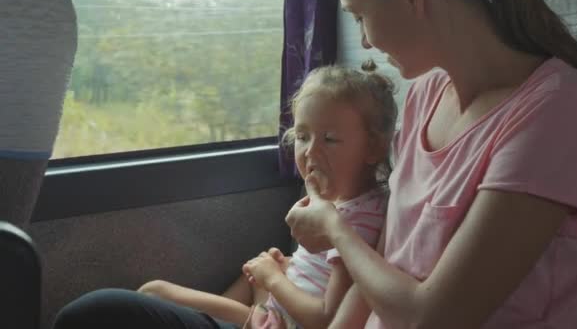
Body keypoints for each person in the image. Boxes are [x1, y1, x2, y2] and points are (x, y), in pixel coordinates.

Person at [285, 0, 577, 328]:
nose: (364, 41)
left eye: (360, 17)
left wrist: (335, 229)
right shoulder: (424, 95)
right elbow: (383, 261)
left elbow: (431, 319)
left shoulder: (560, 111)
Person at [52, 63, 398, 329]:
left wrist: (273, 280)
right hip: (269, 311)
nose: (310, 152)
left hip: (279, 320)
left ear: (374, 147)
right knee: (155, 291)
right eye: (303, 136)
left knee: (142, 298)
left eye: (330, 139)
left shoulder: (357, 220)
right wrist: (284, 268)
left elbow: (326, 317)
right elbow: (316, 277)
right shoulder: (333, 204)